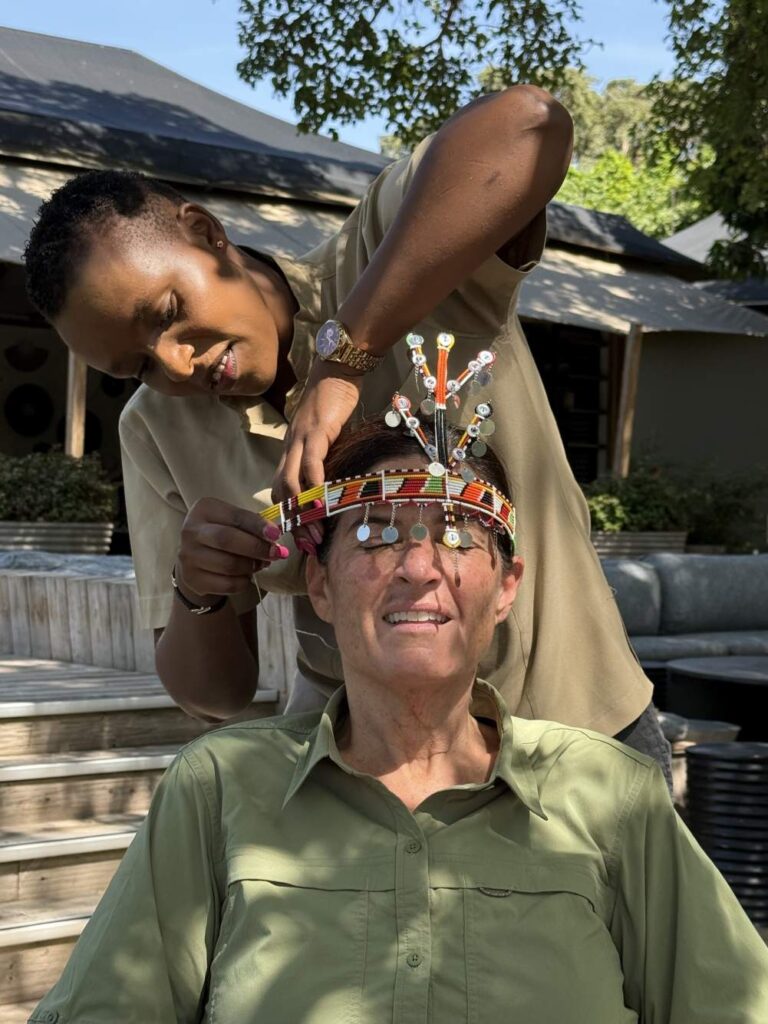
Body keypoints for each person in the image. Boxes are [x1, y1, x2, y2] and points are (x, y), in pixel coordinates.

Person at [28, 418, 768, 1024]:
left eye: (457, 535)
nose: (419, 566)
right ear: (318, 581)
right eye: (378, 533)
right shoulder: (221, 786)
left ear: (506, 587)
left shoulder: (612, 793)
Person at [23, 84, 669, 774]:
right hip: (364, 785)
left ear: (207, 233)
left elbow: (531, 125)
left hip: (578, 736)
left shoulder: (380, 253)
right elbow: (214, 696)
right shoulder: (154, 429)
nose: (178, 363)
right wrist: (198, 592)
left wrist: (344, 360)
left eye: (166, 312)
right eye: (136, 367)